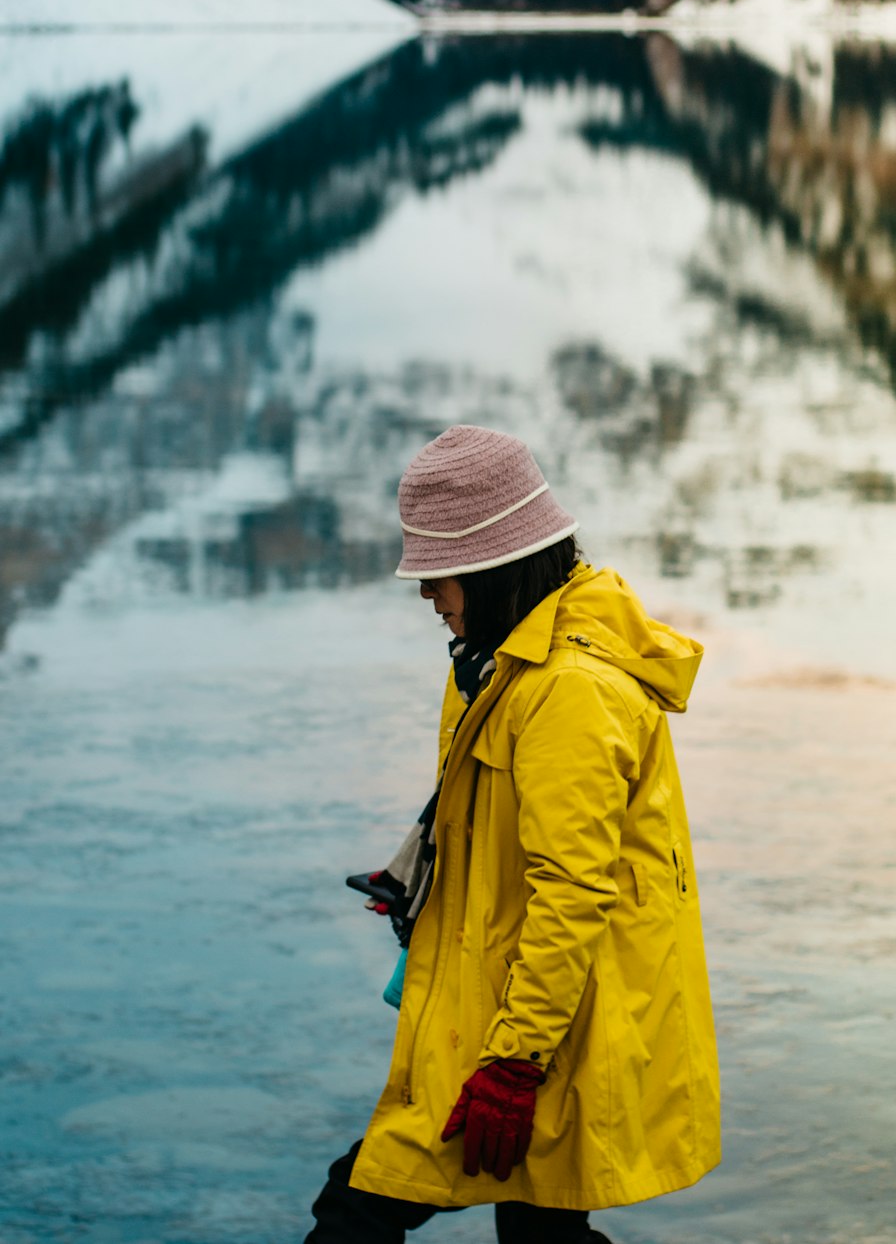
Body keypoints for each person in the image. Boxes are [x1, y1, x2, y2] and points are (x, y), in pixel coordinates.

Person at [305, 425, 720, 1244]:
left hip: (536, 1030)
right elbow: (497, 829)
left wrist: (512, 1064)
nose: (426, 594)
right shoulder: (498, 661)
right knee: (541, 1236)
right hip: (516, 1007)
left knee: (354, 1211)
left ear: (494, 565)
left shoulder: (569, 689)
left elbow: (572, 890)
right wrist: (427, 880)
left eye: (438, 572)